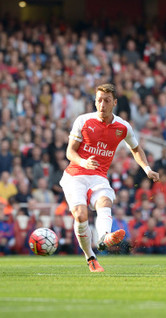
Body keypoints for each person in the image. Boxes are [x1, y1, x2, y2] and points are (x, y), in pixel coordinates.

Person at [59, 83, 159, 272]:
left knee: (105, 201)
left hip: (98, 176)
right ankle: (90, 257)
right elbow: (70, 152)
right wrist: (83, 162)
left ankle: (104, 237)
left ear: (114, 102)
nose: (102, 105)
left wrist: (147, 169)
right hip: (75, 175)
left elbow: (136, 149)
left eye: (106, 101)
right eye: (98, 100)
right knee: (81, 215)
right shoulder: (84, 121)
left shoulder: (123, 127)